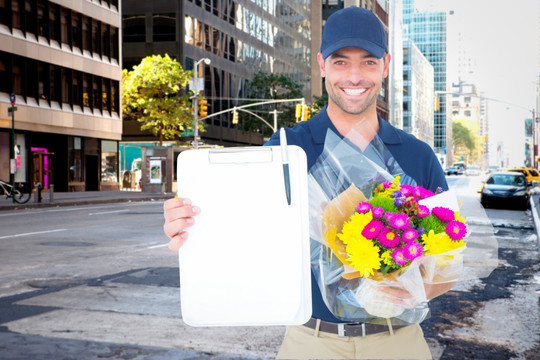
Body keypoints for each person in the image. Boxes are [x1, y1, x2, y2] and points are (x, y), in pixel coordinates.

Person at [164, 6, 453, 359]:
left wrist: (410, 287)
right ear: (322, 65)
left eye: (368, 62)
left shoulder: (417, 156)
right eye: (340, 61)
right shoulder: (286, 148)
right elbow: (242, 230)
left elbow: (449, 261)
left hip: (398, 341)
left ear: (386, 66)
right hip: (311, 342)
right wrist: (192, 229)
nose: (355, 76)